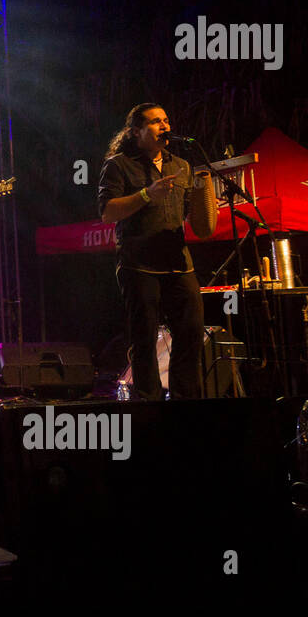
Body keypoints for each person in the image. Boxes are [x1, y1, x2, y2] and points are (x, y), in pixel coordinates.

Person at [98, 104, 216, 400]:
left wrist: (206, 193)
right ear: (136, 131)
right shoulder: (118, 165)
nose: (164, 126)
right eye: (155, 121)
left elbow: (200, 225)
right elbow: (107, 212)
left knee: (191, 333)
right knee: (144, 339)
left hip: (179, 263)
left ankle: (185, 403)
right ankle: (148, 407)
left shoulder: (182, 166)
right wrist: (147, 194)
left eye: (166, 119)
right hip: (139, 265)